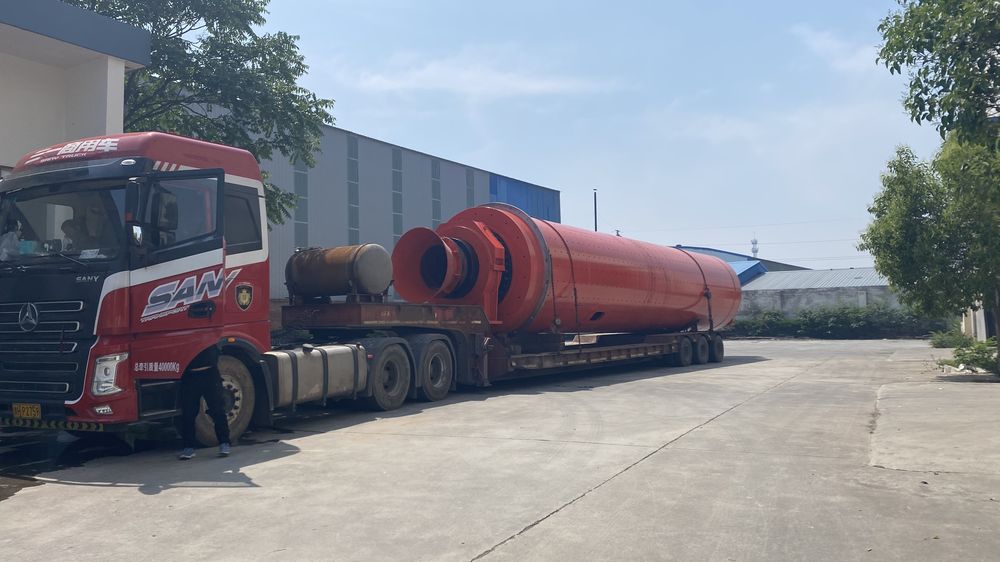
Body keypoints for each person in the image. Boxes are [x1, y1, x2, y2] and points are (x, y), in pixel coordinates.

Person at [177, 344, 232, 460]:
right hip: (190, 376)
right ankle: (188, 447)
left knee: (217, 409)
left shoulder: (208, 336)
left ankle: (224, 443)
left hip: (210, 374)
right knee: (188, 413)